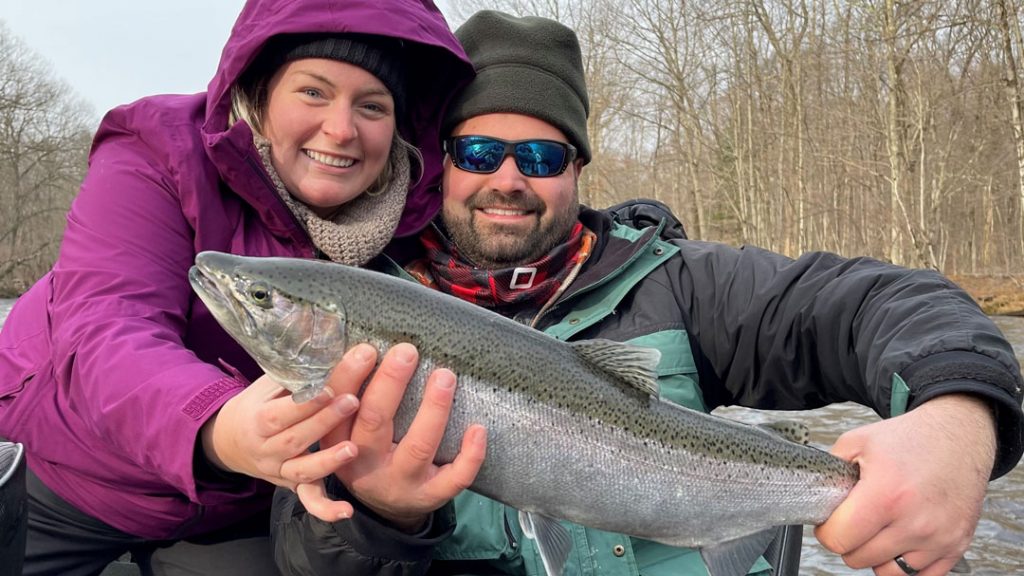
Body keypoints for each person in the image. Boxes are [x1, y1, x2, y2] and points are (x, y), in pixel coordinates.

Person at [269, 9, 1024, 576]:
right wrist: (381, 514)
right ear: (440, 162)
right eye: (478, 151)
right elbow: (304, 557)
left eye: (539, 154)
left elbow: (880, 303)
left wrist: (956, 423)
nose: (508, 178)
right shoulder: (369, 311)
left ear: (576, 169)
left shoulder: (681, 283)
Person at [0, 1, 476, 575]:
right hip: (64, 471)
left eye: (372, 106)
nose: (341, 129)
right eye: (313, 92)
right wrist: (216, 425)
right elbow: (108, 327)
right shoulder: (154, 149)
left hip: (240, 505)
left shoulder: (413, 223)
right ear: (260, 94)